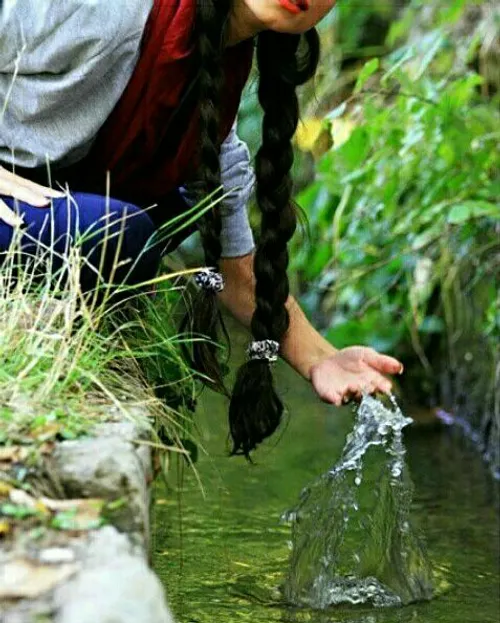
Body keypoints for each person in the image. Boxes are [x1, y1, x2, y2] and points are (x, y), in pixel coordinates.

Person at [0, 0, 404, 457]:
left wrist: (321, 359)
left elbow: (236, 267)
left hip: (37, 216)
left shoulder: (214, 87)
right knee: (119, 234)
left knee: (172, 208)